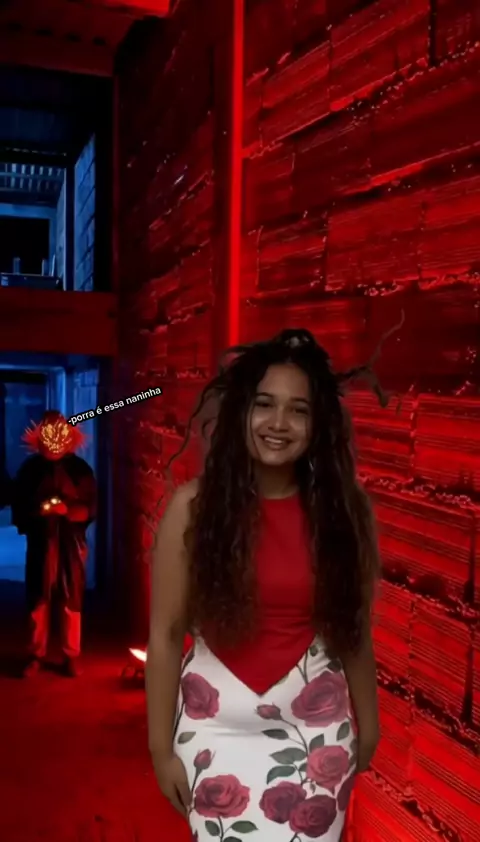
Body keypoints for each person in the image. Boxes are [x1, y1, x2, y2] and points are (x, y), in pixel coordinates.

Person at [146, 327, 387, 842]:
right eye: (264, 405)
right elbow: (165, 636)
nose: (279, 424)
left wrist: (369, 724)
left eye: (298, 410)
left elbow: (353, 627)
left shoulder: (343, 512)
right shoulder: (192, 509)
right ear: (241, 412)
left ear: (318, 424)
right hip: (213, 735)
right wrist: (160, 749)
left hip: (317, 739)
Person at [11, 410, 96, 678]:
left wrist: (68, 510)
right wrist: (39, 512)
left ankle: (71, 654)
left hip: (72, 544)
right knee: (39, 596)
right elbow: (19, 504)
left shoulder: (80, 470)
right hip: (41, 542)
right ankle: (35, 654)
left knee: (72, 598)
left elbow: (91, 506)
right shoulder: (30, 470)